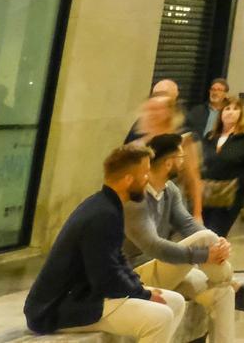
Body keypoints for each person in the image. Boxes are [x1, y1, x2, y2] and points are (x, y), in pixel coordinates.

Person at [25, 144, 184, 342]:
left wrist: (140, 288)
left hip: (85, 295)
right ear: (128, 180)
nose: (147, 180)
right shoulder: (103, 215)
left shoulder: (107, 206)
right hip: (58, 308)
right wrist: (143, 295)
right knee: (160, 317)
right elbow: (106, 277)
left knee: (175, 302)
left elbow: (117, 260)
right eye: (144, 174)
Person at [122, 133, 244, 340]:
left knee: (223, 293)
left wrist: (218, 243)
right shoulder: (136, 197)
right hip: (136, 274)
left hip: (164, 269)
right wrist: (203, 253)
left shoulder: (169, 190)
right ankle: (232, 281)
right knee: (205, 240)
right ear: (169, 163)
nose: (184, 163)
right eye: (181, 158)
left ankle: (230, 285)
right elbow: (154, 246)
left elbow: (188, 225)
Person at [199, 98, 244, 237]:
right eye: (227, 109)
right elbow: (201, 160)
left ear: (240, 113)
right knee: (202, 234)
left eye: (235, 109)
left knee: (216, 234)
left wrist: (240, 182)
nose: (231, 112)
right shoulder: (210, 136)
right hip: (207, 193)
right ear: (221, 113)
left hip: (230, 195)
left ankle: (213, 257)